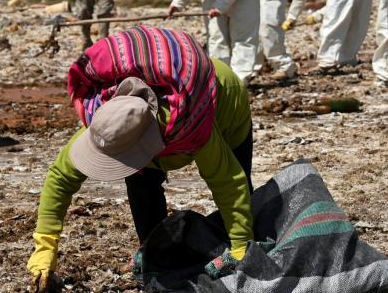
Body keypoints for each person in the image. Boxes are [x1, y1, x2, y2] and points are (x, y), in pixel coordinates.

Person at [26, 26, 254, 290]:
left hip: (226, 105)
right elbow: (60, 177)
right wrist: (45, 248)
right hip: (154, 132)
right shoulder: (109, 121)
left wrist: (240, 246)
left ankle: (242, 242)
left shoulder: (192, 128)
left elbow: (228, 181)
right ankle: (155, 253)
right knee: (140, 181)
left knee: (245, 201)